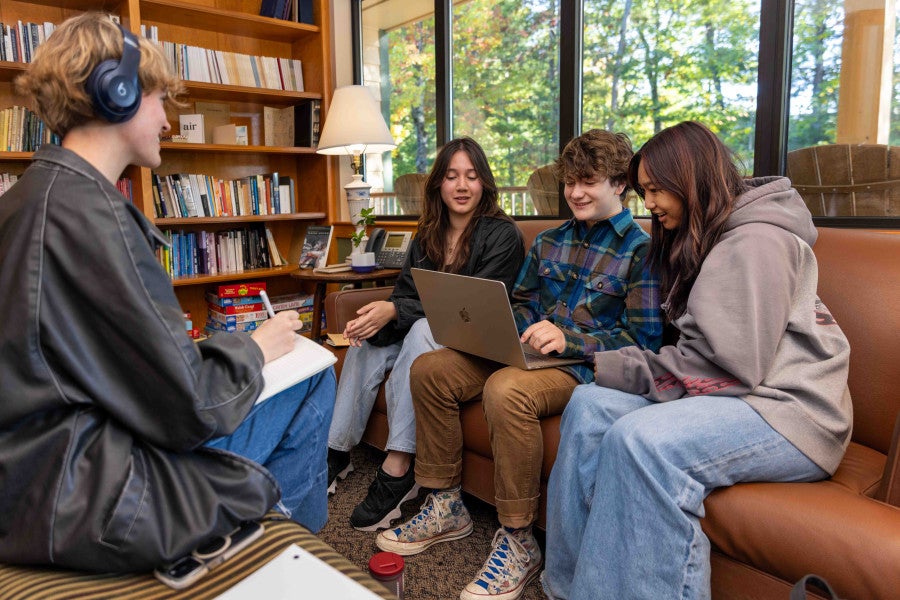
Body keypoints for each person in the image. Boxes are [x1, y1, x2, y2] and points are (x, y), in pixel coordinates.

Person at [0, 12, 335, 573]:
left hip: (30, 480)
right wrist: (256, 346)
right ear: (118, 92)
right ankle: (286, 564)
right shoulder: (97, 219)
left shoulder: (24, 202)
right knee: (315, 377)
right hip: (90, 497)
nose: (166, 120)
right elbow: (191, 408)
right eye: (159, 98)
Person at [541, 121, 853, 600]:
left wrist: (615, 364)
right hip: (745, 391)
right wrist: (608, 372)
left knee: (643, 440)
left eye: (653, 190)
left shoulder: (756, 242)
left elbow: (721, 369)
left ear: (687, 179)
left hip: (790, 411)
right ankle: (569, 587)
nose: (648, 204)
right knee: (588, 406)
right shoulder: (713, 234)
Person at [375, 129, 664, 600]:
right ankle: (446, 503)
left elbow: (644, 341)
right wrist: (499, 325)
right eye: (570, 182)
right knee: (431, 369)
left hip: (583, 368)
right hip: (523, 353)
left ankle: (518, 539)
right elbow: (524, 302)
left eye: (587, 182)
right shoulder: (550, 240)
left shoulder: (642, 251)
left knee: (506, 390)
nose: (575, 192)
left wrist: (566, 337)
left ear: (619, 185)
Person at [326, 137, 525, 531]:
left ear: (484, 182)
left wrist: (397, 310)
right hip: (425, 329)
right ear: (439, 184)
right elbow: (405, 292)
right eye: (452, 176)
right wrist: (381, 315)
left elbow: (472, 308)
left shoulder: (503, 234)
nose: (462, 185)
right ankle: (336, 450)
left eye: (471, 176)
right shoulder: (428, 231)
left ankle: (399, 464)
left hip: (473, 343)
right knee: (366, 341)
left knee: (417, 327)